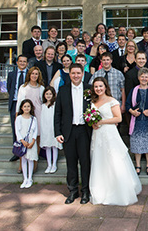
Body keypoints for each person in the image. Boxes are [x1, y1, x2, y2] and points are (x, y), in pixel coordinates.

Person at [89, 77, 142, 206]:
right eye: (96, 87)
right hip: (97, 134)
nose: (98, 89)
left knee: (114, 161)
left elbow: (118, 118)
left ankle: (120, 190)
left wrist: (101, 122)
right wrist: (93, 124)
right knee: (100, 160)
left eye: (100, 86)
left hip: (109, 134)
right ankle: (102, 189)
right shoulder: (93, 101)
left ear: (105, 87)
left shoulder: (112, 101)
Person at [54, 63, 92, 204]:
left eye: (78, 73)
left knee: (85, 162)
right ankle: (73, 191)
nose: (76, 75)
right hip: (68, 132)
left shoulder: (89, 89)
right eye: (73, 73)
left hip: (84, 131)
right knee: (71, 163)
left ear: (83, 74)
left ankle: (85, 192)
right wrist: (57, 132)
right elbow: (57, 113)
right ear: (69, 74)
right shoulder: (63, 90)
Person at [126, 68, 148, 176]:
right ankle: (138, 165)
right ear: (138, 77)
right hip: (137, 122)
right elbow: (127, 105)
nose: (144, 78)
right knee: (136, 144)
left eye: (146, 76)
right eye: (142, 76)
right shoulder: (134, 90)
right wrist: (132, 112)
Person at [7, 55, 28, 162]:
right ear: (17, 63)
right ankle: (16, 151)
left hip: (27, 104)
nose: (22, 63)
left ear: (27, 63)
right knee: (15, 128)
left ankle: (27, 150)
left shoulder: (30, 73)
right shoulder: (11, 74)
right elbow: (9, 88)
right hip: (15, 103)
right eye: (20, 61)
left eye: (24, 61)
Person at [16, 99, 38, 188]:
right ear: (21, 107)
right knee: (24, 160)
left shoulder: (33, 119)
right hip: (23, 142)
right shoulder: (19, 118)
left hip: (31, 142)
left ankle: (30, 178)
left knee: (30, 159)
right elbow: (17, 130)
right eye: (25, 106)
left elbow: (36, 130)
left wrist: (33, 141)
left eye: (28, 106)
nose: (26, 108)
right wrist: (22, 141)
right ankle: (25, 178)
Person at [40, 86, 62, 174]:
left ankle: (54, 164)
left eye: (50, 94)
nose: (48, 96)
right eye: (47, 94)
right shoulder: (42, 106)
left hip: (53, 128)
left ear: (53, 95)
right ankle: (49, 164)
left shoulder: (55, 105)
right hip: (45, 128)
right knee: (47, 146)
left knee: (54, 146)